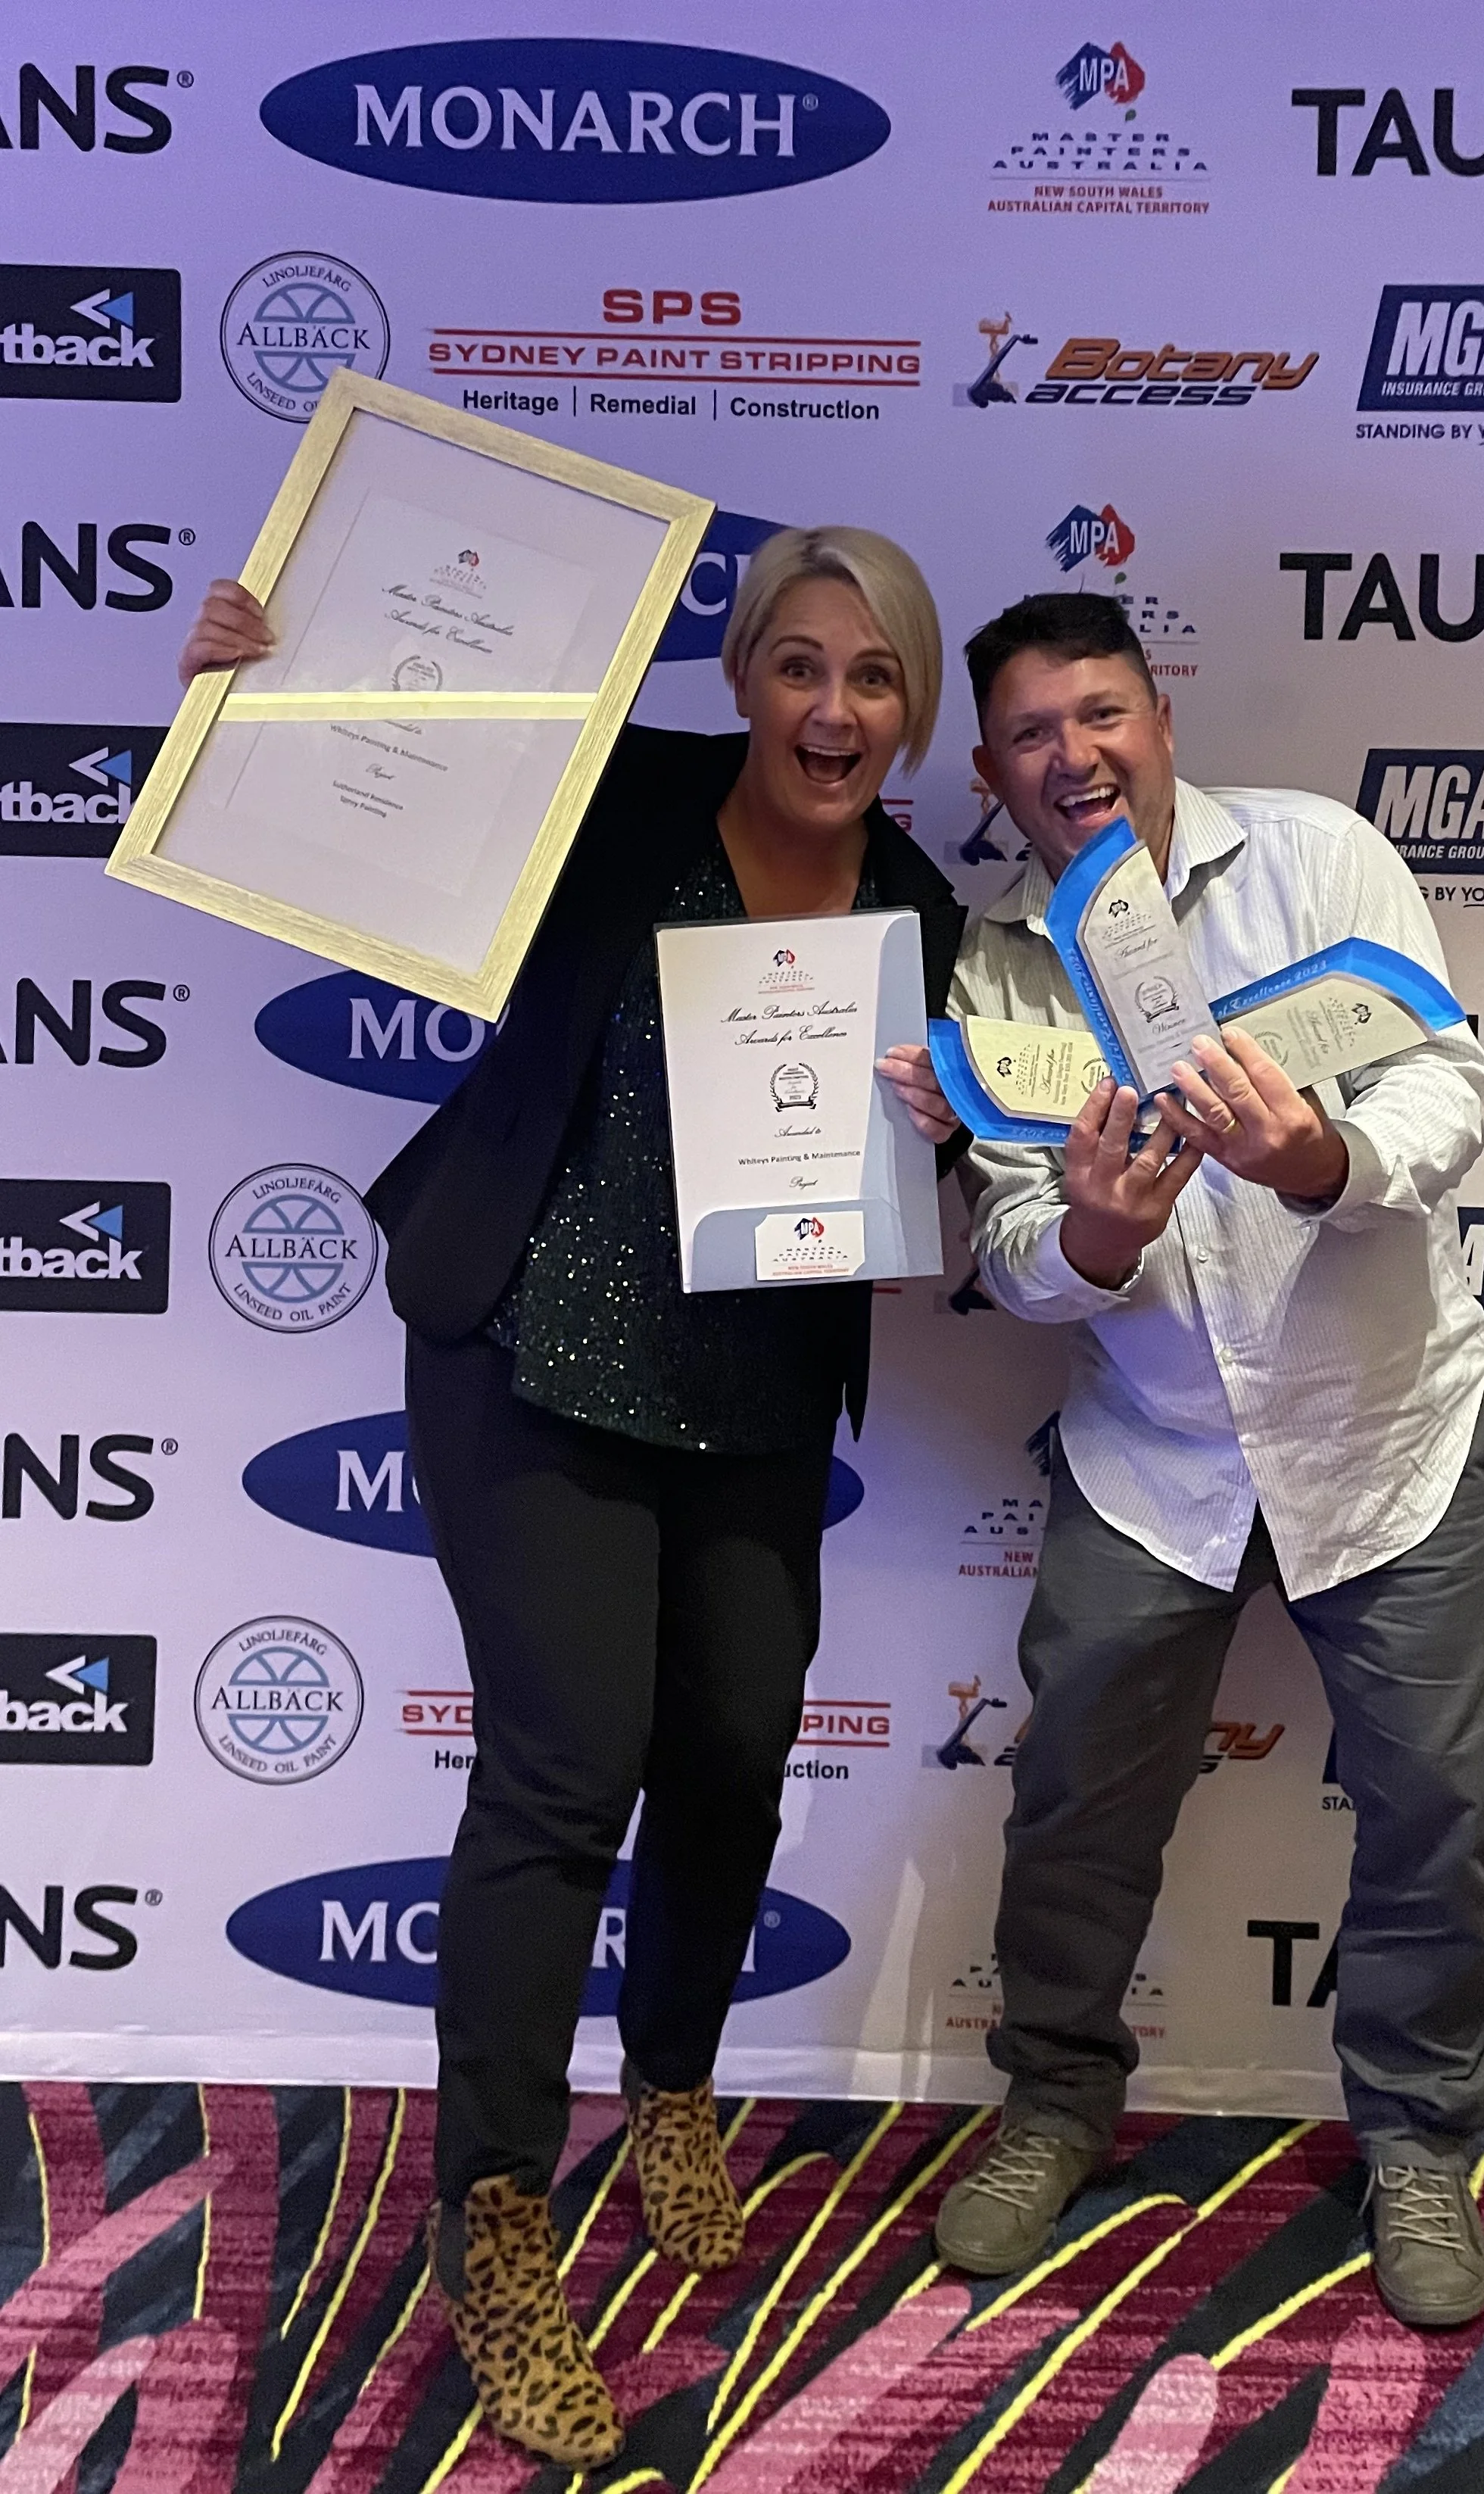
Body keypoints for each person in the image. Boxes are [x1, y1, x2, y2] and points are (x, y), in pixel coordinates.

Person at [178, 529, 965, 2466]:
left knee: (733, 1749)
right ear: (743, 680)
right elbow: (388, 790)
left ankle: (672, 2091)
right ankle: (498, 2218)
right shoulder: (619, 799)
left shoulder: (922, 909)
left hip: (752, 1391)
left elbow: (922, 1173)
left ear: (912, 711)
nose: (831, 708)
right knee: (561, 1769)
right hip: (532, 1349)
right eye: (797, 665)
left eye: (871, 677)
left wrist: (932, 1147)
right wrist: (263, 684)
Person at [924, 594, 1484, 2333]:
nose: (1071, 756)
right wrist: (1097, 1234)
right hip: (1156, 1459)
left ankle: (1415, 2140)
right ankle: (1054, 2103)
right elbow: (1018, 1250)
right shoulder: (997, 969)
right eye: (1029, 734)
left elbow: (1446, 1089)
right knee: (1074, 1805)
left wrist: (1316, 1156)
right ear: (991, 772)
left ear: (1159, 718)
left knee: (1440, 1811)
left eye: (1098, 713)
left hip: (1385, 1434)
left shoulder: (1317, 857)